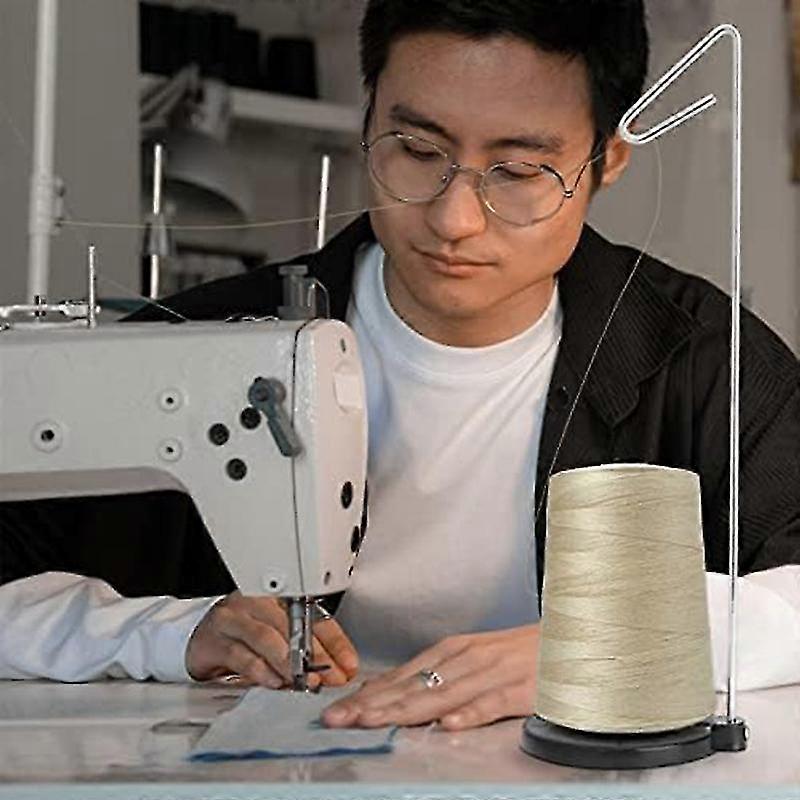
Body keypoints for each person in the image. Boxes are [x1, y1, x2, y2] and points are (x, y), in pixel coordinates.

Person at [1, 0, 798, 732]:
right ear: (368, 117)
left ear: (607, 160)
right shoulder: (197, 343)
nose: (454, 218)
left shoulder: (704, 362)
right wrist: (164, 631)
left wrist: (598, 647)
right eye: (417, 150)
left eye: (519, 171)